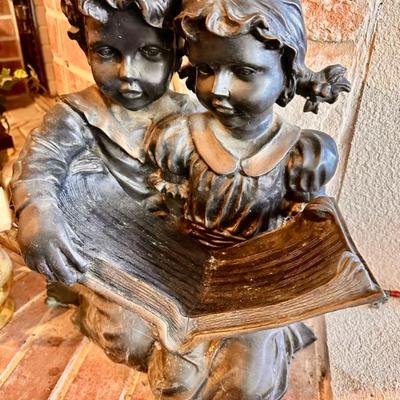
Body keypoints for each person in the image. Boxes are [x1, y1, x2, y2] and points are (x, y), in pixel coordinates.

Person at [144, 0, 350, 398]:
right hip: (192, 276)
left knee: (244, 386)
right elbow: (164, 210)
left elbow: (312, 236)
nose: (219, 89)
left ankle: (271, 343)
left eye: (243, 72)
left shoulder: (301, 154)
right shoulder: (179, 139)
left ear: (287, 76)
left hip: (259, 285)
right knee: (173, 382)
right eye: (206, 70)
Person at [11, 0, 198, 372]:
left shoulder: (192, 116)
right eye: (107, 52)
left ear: (178, 51)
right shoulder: (76, 114)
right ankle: (87, 306)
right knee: (129, 339)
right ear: (85, 47)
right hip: (110, 253)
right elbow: (40, 162)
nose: (128, 73)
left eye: (150, 53)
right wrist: (37, 211)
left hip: (172, 251)